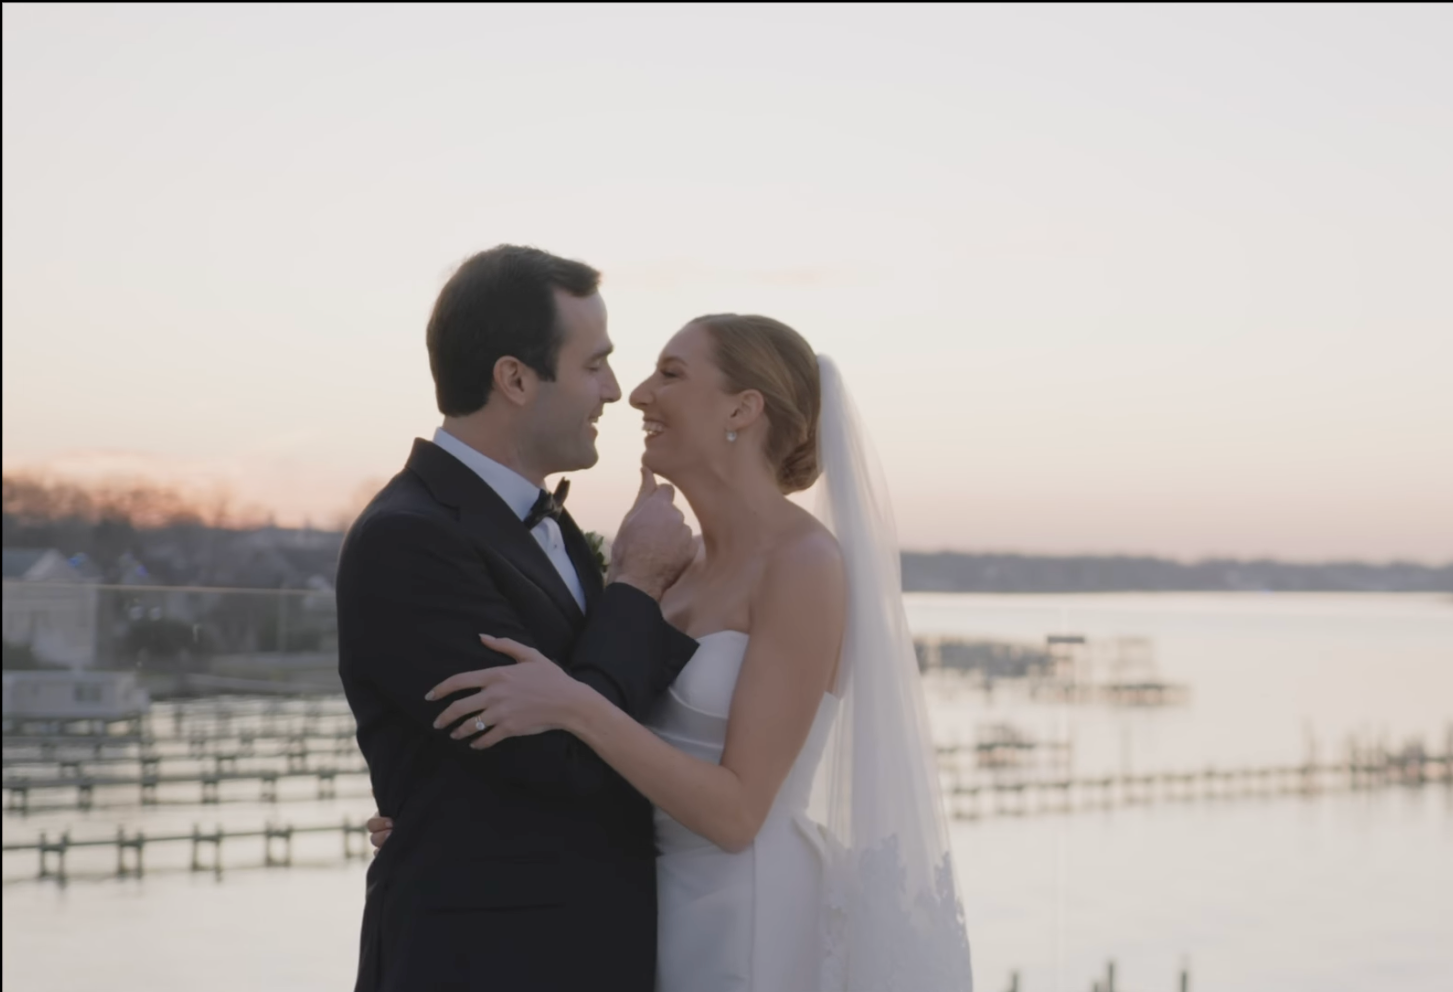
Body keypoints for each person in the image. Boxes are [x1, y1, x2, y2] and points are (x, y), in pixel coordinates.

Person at [373, 314, 976, 990]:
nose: (637, 394)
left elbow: (738, 813)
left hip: (745, 919)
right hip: (643, 906)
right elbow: (590, 753)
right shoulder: (668, 571)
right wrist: (449, 817)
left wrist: (576, 707)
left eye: (671, 374)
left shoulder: (804, 564)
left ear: (742, 410)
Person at [336, 244, 699, 992]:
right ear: (514, 379)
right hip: (486, 960)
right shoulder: (410, 538)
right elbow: (558, 760)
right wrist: (635, 583)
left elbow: (589, 713)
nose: (613, 390)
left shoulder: (549, 525)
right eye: (594, 363)